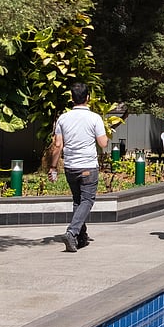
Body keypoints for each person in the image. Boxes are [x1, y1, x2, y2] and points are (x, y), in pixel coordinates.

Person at [48, 82, 108, 252]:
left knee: (77, 200)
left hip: (70, 166)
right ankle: (72, 232)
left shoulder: (63, 118)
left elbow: (58, 145)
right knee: (87, 200)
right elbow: (103, 143)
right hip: (88, 165)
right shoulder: (94, 118)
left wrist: (53, 167)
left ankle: (81, 237)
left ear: (72, 98)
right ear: (88, 98)